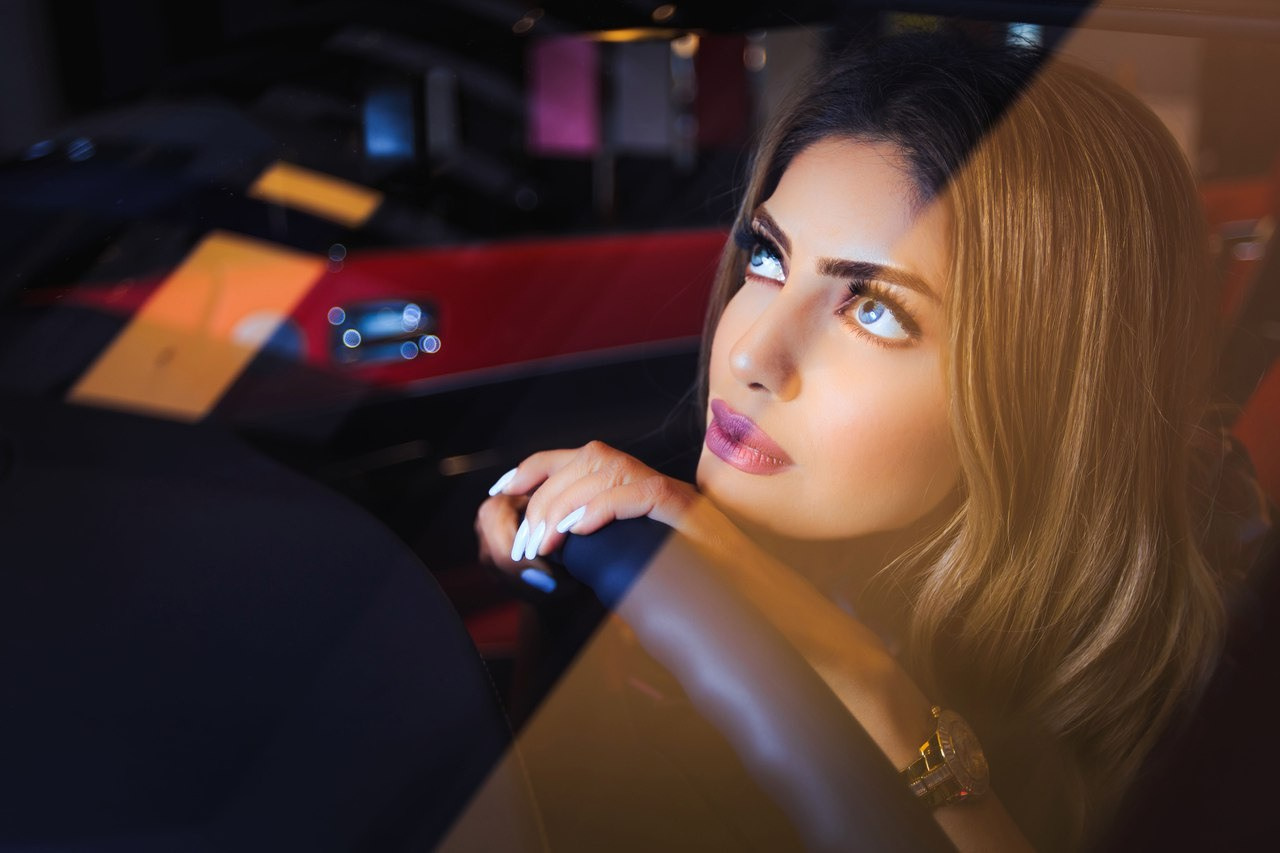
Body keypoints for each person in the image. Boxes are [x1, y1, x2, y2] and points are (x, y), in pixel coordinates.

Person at [473, 30, 1249, 852]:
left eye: (876, 310)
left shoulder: (1203, 731)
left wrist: (856, 679)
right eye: (769, 257)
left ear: (1051, 398)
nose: (749, 354)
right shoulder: (681, 526)